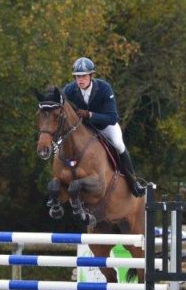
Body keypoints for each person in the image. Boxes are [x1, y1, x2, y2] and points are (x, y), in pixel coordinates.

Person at [62, 57, 146, 197]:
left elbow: (112, 118)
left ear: (91, 75)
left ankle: (133, 182)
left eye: (83, 76)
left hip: (105, 126)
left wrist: (89, 114)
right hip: (85, 129)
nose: (80, 80)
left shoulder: (104, 88)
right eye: (77, 76)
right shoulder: (70, 90)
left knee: (119, 145)